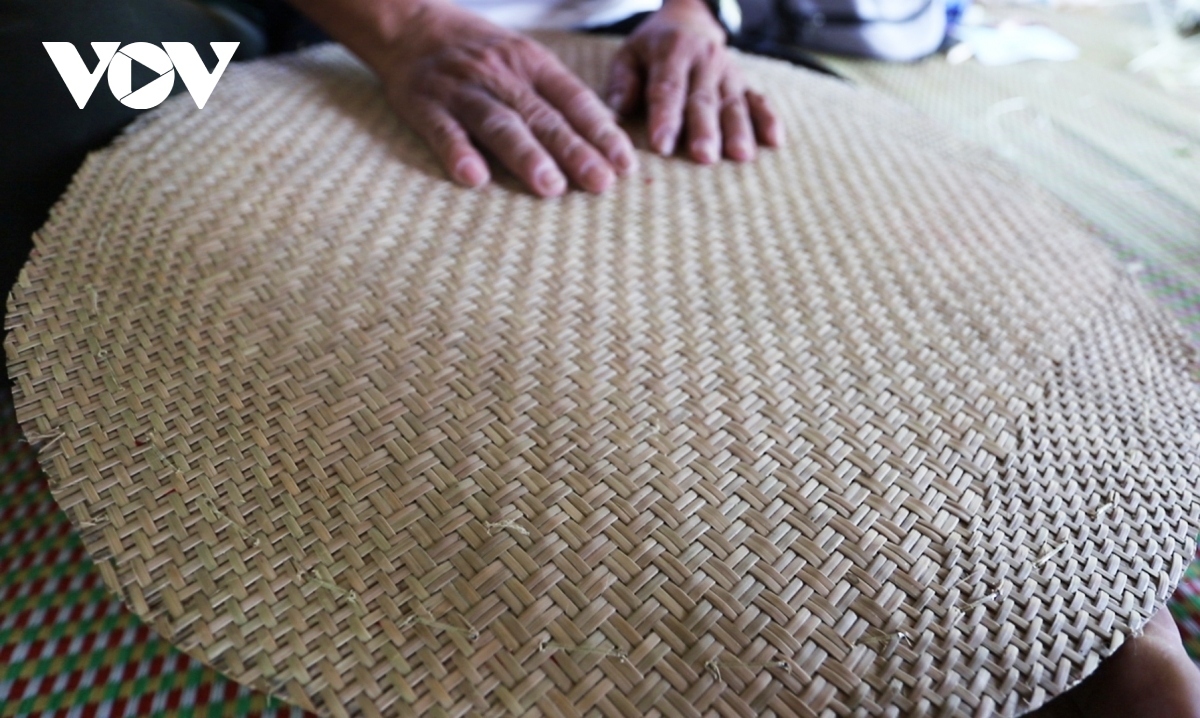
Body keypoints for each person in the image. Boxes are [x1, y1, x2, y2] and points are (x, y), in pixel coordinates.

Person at [0, 3, 1198, 715]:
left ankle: (1111, 619)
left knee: (899, 260)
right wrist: (399, 27)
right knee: (40, 76)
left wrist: (698, 13)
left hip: (624, 28)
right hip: (287, 26)